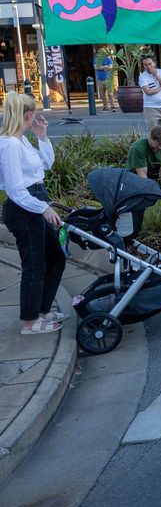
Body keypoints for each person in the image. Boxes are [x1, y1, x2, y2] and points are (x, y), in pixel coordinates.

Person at [0, 93, 65, 335]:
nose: (34, 119)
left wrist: (42, 138)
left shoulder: (22, 140)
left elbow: (45, 165)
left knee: (56, 257)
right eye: (33, 115)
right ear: (27, 115)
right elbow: (16, 189)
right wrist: (44, 208)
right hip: (24, 209)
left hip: (35, 201)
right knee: (34, 265)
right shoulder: (9, 145)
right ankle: (29, 321)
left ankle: (42, 311)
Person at [138, 54, 161, 139]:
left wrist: (156, 75)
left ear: (154, 63)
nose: (148, 66)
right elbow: (148, 92)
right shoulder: (143, 77)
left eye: (150, 64)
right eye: (146, 65)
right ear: (143, 66)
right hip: (151, 108)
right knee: (153, 134)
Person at [94, 44, 116, 112]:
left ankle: (113, 107)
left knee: (110, 94)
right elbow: (96, 67)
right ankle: (105, 107)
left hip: (108, 79)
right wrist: (105, 67)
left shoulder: (108, 59)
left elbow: (111, 66)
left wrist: (101, 67)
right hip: (100, 79)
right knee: (103, 95)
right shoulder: (96, 59)